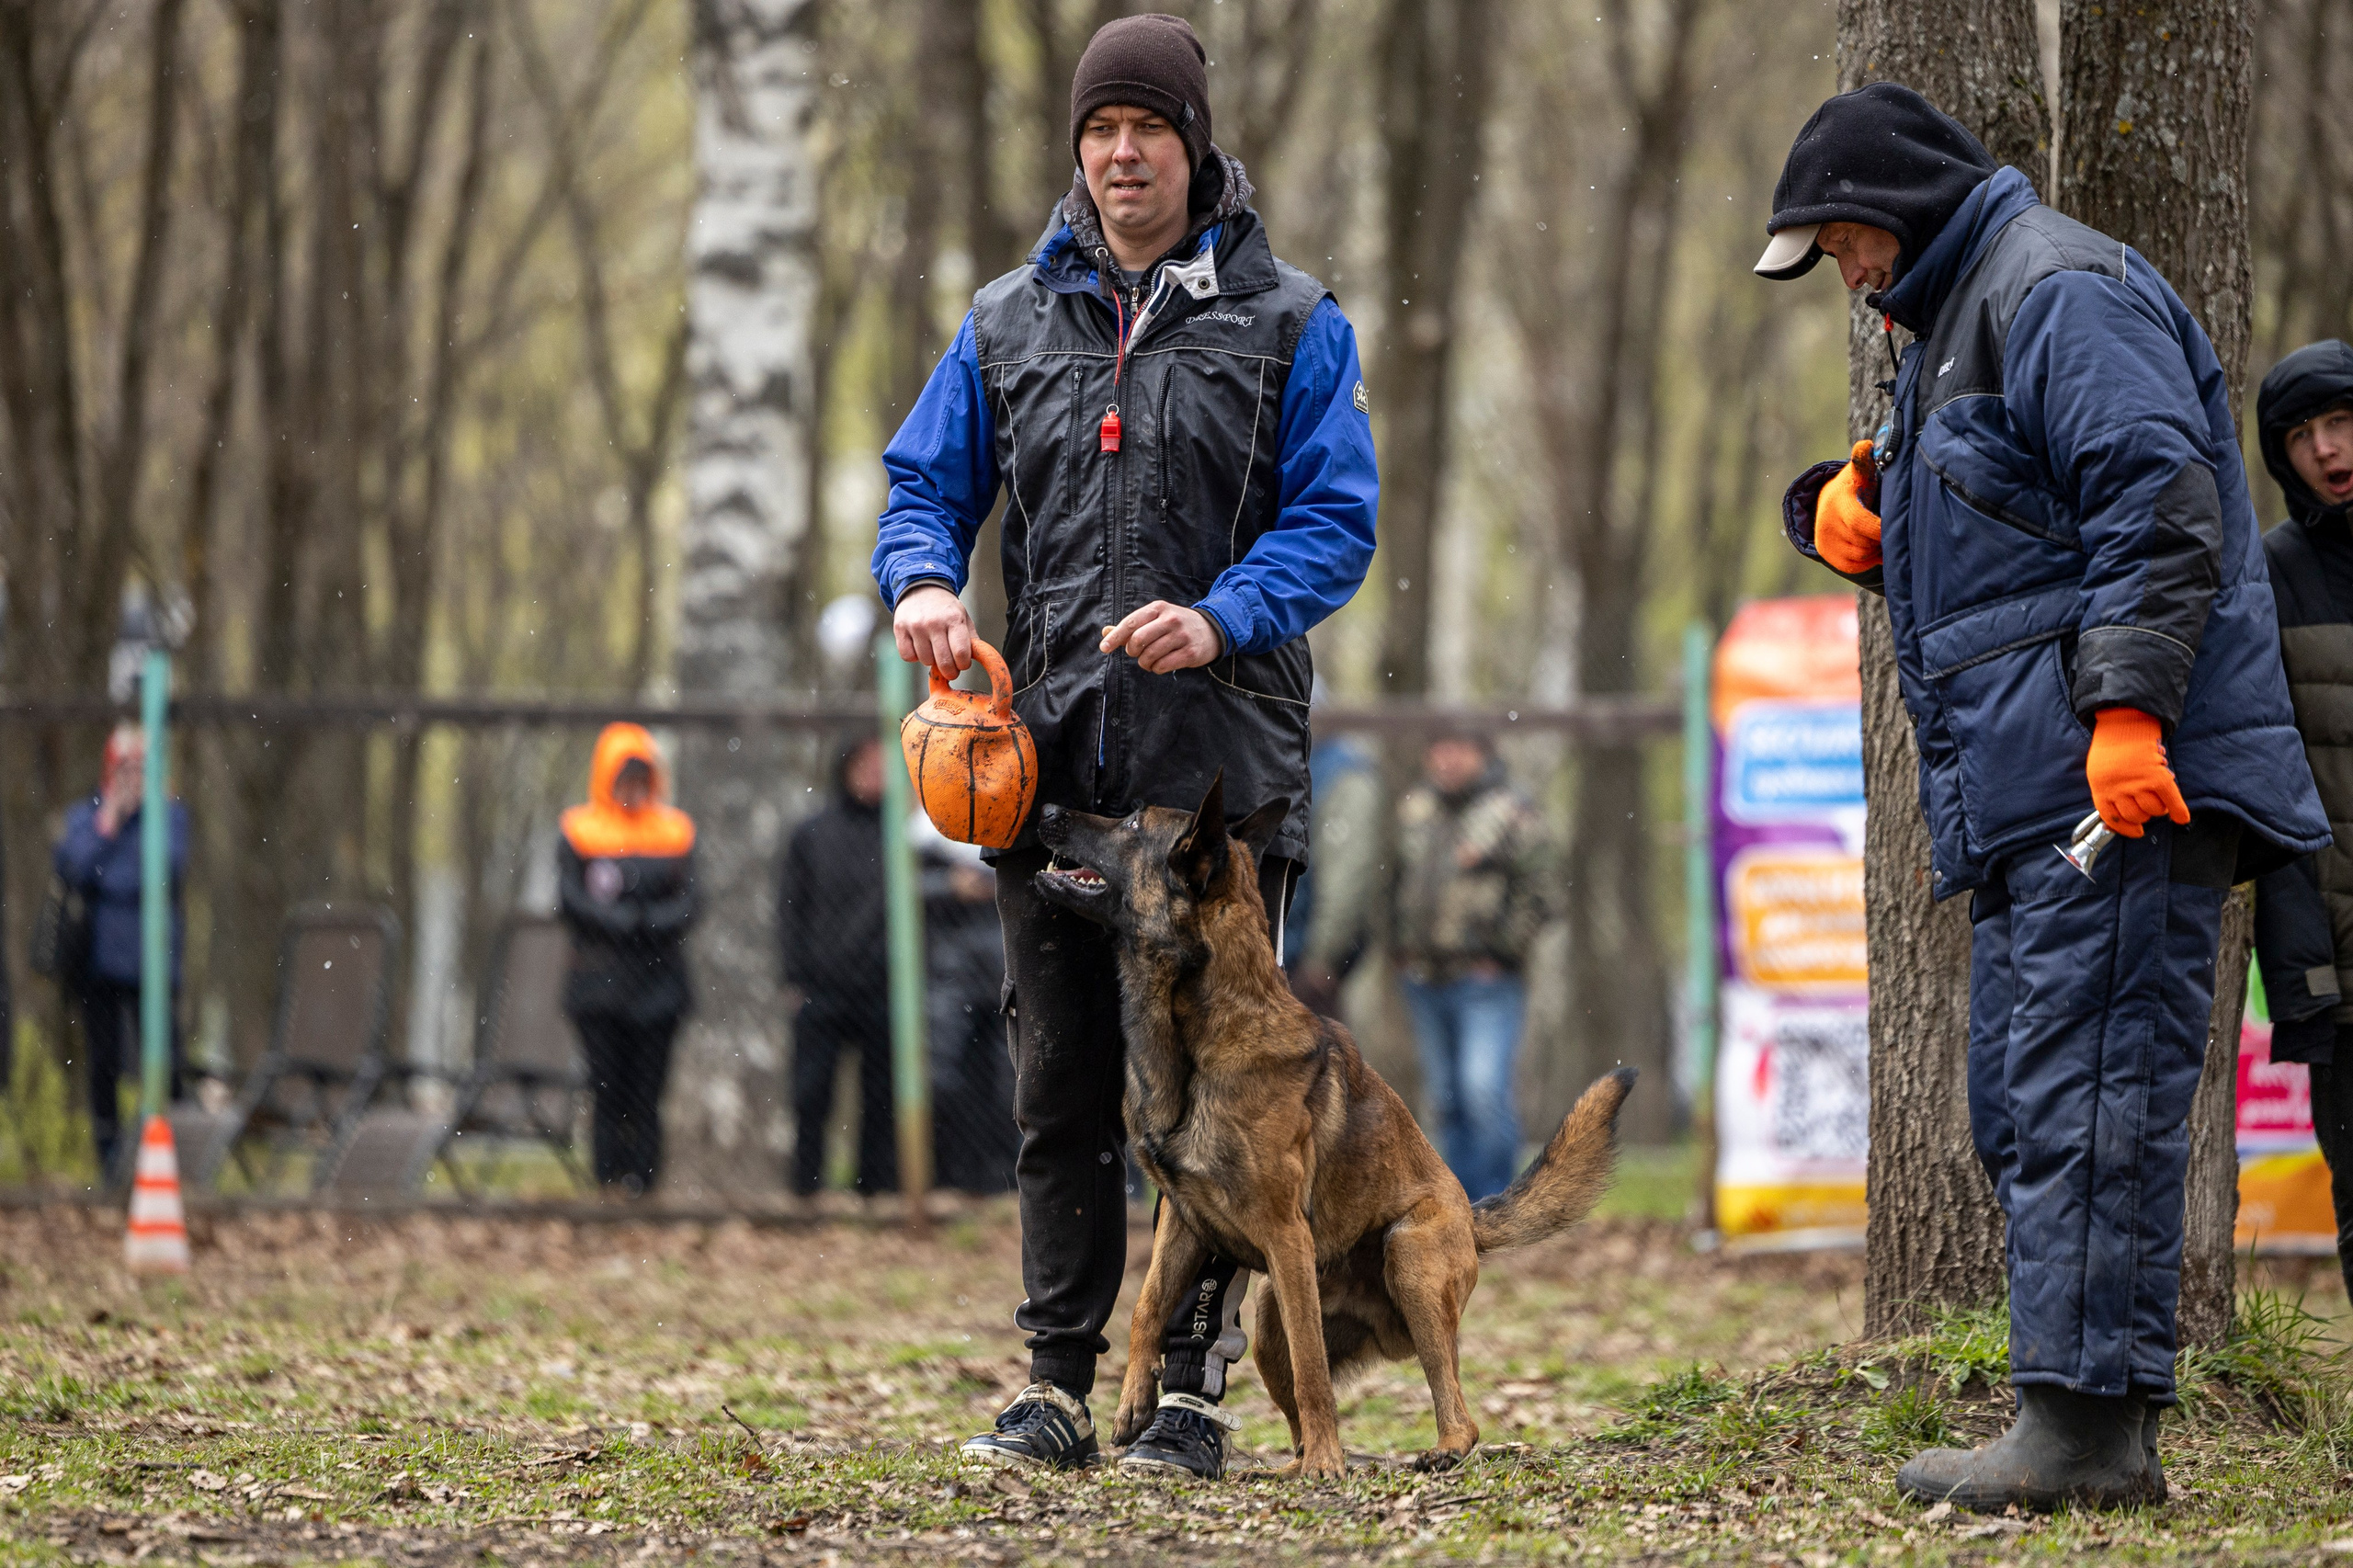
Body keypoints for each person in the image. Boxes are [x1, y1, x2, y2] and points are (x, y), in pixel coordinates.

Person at [1762, 85, 2328, 1510]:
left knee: (2094, 1096)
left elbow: (2157, 502)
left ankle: (2082, 1432)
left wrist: (2131, 714)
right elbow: (2011, 523)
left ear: (1892, 210)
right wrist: (1847, 509)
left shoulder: (2057, 289)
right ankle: (2081, 1417)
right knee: (2030, 1103)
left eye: (1841, 242)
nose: (1844, 272)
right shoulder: (1952, 324)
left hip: (2116, 785)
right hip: (2036, 800)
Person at [872, 13, 1378, 1479]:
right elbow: (922, 487)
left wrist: (1222, 617)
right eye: (1099, 130)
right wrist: (921, 581)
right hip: (1050, 778)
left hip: (1221, 789)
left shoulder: (1294, 321)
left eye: (1147, 128)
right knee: (1061, 1082)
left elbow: (1336, 520)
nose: (1121, 154)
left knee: (1227, 1104)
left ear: (1193, 145)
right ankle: (1054, 1382)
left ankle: (1188, 1395)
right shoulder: (1005, 320)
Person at [2245, 338, 2353, 1305]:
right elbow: (2269, 789)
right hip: (2342, 968)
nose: (2326, 448)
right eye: (2301, 434)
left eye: (2342, 421)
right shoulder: (2271, 575)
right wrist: (2304, 980)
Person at [1391, 733, 1553, 1202]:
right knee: (1446, 1098)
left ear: (1482, 756)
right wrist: (1399, 948)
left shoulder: (1512, 812)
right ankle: (1459, 1207)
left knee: (1483, 1092)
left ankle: (1497, 1203)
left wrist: (1501, 952)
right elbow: (1394, 883)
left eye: (1459, 749)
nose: (1447, 759)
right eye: (1439, 749)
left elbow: (1544, 890)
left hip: (1486, 982)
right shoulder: (1415, 810)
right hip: (1424, 978)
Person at [556, 722, 699, 1198]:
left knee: (647, 1092)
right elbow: (570, 901)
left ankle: (643, 1184)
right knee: (606, 1089)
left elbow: (690, 903)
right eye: (625, 779)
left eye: (642, 779)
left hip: (659, 985)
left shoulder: (675, 832)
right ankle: (607, 1181)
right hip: (598, 984)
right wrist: (616, 921)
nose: (634, 790)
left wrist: (647, 921)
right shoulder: (580, 831)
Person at [52, 724, 188, 1179]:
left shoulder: (169, 817)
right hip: (100, 964)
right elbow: (74, 866)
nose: (133, 778)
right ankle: (109, 1157)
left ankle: (172, 1152)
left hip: (154, 963)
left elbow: (160, 869)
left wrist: (108, 870)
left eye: (142, 769)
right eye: (124, 768)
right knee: (104, 1064)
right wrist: (109, 823)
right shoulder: (88, 815)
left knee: (165, 1062)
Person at [779, 736, 895, 1198]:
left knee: (880, 1098)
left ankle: (876, 1193)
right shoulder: (811, 834)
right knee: (811, 1095)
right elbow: (790, 909)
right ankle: (806, 1192)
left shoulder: (900, 835)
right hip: (820, 988)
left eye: (882, 768)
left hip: (882, 989)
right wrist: (794, 978)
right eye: (866, 766)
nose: (875, 776)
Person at [915, 814, 1017, 1194]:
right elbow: (896, 887)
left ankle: (1005, 1179)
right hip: (951, 980)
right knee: (946, 1079)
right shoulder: (923, 838)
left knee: (1007, 1083)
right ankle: (949, 1179)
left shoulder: (1012, 825)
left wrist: (993, 887)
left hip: (1003, 979)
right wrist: (949, 886)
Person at [1283, 724, 1380, 1018]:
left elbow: (1347, 878)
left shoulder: (1341, 774)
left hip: (1300, 961)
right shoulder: (1289, 763)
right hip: (1277, 954)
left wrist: (1322, 960)